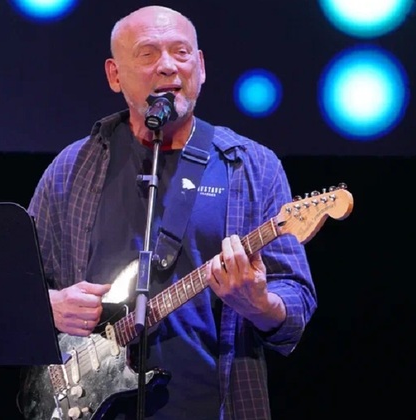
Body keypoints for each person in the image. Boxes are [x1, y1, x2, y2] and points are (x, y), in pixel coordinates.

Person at [24, 5, 316, 419]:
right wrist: (50, 306)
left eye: (181, 53)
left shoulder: (252, 167)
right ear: (114, 75)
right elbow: (15, 293)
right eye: (148, 54)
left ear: (201, 67)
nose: (167, 66)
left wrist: (259, 303)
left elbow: (296, 302)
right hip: (89, 405)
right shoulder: (72, 169)